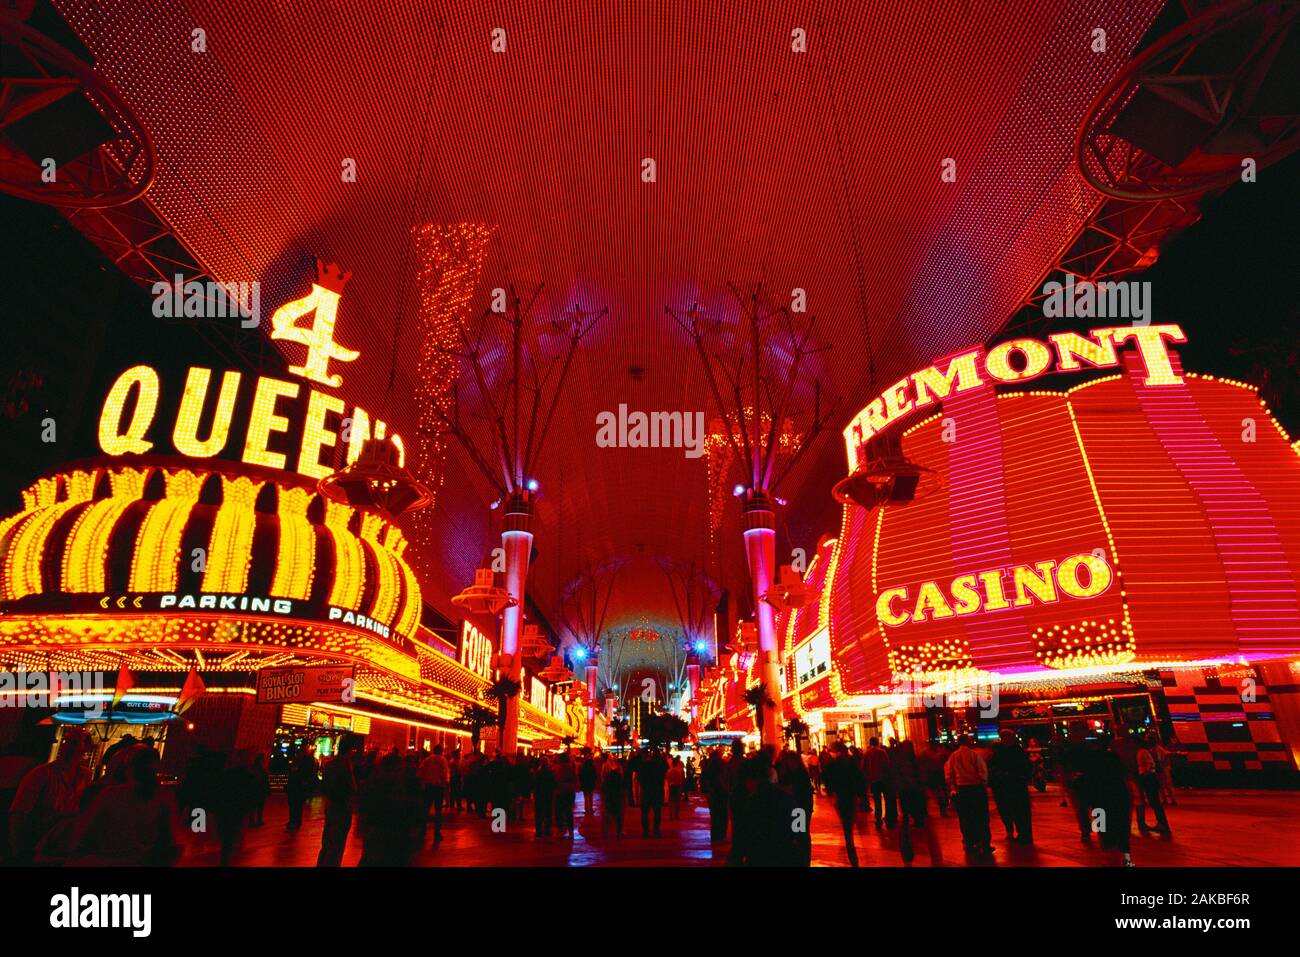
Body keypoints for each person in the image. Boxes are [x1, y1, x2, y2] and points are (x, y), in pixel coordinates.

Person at [66, 747, 179, 866]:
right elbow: (169, 842)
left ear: (129, 769)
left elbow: (86, 833)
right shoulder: (164, 798)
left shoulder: (111, 795)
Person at [8, 729, 93, 865]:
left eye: (75, 742)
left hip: (63, 846)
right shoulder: (41, 774)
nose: (68, 746)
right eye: (66, 741)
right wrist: (18, 850)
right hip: (37, 844)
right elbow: (18, 813)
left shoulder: (86, 777)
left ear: (86, 748)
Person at [358, 752, 421, 866]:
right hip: (393, 840)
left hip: (376, 838)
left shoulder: (371, 785)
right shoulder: (400, 786)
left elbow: (363, 810)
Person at [1089, 739, 1135, 866]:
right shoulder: (1115, 759)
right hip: (1119, 798)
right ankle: (1124, 859)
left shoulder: (1093, 762)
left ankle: (1110, 857)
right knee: (1122, 832)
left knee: (1105, 831)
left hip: (1100, 800)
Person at [945, 734, 992, 855]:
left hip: (962, 789)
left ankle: (969, 840)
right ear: (968, 742)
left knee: (965, 817)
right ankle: (984, 842)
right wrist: (983, 784)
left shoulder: (954, 756)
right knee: (981, 816)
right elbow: (982, 771)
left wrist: (953, 786)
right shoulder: (974, 755)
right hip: (976, 788)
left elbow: (949, 773)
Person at [822, 741, 865, 867]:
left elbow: (827, 778)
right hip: (851, 796)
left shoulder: (833, 765)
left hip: (841, 797)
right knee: (849, 823)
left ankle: (851, 851)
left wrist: (831, 792)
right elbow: (860, 778)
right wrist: (860, 794)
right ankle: (852, 850)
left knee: (847, 824)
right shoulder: (852, 763)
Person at [316, 739, 358, 866]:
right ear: (349, 750)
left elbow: (323, 786)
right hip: (342, 807)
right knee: (337, 844)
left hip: (331, 806)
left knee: (328, 841)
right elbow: (352, 788)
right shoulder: (345, 766)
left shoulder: (330, 764)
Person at [988, 730, 1033, 843]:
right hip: (1016, 786)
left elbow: (992, 767)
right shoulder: (1018, 751)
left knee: (1012, 811)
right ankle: (1024, 833)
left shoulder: (1001, 753)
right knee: (1020, 812)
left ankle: (1020, 832)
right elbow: (1027, 768)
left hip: (1007, 786)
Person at [776, 749, 814, 866]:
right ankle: (803, 858)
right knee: (801, 833)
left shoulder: (798, 774)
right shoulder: (799, 772)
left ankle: (803, 858)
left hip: (800, 808)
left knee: (800, 833)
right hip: (801, 807)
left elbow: (794, 790)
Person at [1135, 735, 1172, 836]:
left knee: (1155, 801)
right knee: (1155, 802)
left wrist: (1144, 773)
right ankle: (1162, 823)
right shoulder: (1144, 751)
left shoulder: (1142, 752)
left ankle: (1162, 824)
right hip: (1149, 777)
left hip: (1149, 778)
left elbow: (1150, 764)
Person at [419, 744, 451, 846]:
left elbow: (421, 771)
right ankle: (437, 833)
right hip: (438, 788)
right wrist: (446, 786)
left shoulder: (427, 760)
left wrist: (424, 783)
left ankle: (422, 830)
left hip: (429, 787)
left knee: (425, 809)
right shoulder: (443, 760)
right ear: (441, 751)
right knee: (438, 811)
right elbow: (444, 774)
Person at [864, 737, 896, 828]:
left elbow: (864, 767)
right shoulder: (882, 752)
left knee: (877, 801)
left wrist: (868, 777)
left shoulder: (867, 754)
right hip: (884, 779)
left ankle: (878, 818)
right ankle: (888, 817)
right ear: (877, 742)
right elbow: (887, 765)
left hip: (874, 780)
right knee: (887, 799)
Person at [639, 748, 668, 837]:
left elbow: (639, 778)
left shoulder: (644, 765)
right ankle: (656, 830)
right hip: (657, 791)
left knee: (645, 812)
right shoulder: (660, 766)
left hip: (647, 791)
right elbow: (665, 770)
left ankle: (645, 831)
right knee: (657, 812)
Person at [701, 750, 729, 843]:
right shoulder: (722, 764)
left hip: (713, 794)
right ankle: (721, 835)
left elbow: (705, 780)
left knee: (715, 816)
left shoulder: (708, 766)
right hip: (721, 793)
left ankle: (715, 836)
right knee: (722, 815)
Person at [285, 747, 315, 831]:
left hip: (297, 787)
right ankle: (294, 821)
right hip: (296, 787)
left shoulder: (300, 763)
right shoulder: (303, 763)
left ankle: (295, 821)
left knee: (296, 806)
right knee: (295, 806)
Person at [553, 751, 578, 837]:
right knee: (568, 812)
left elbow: (555, 780)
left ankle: (561, 829)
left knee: (559, 811)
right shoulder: (570, 768)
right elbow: (575, 780)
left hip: (561, 792)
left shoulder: (558, 769)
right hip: (569, 792)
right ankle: (570, 830)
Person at [600, 756, 626, 837]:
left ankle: (607, 831)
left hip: (609, 795)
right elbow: (622, 784)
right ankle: (619, 831)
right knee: (618, 814)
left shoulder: (607, 774)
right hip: (617, 795)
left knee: (609, 813)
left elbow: (603, 783)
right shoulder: (619, 774)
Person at [247, 753, 270, 827]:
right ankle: (258, 820)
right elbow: (265, 781)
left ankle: (252, 821)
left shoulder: (252, 770)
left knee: (253, 807)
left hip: (254, 790)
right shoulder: (262, 771)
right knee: (260, 807)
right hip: (260, 790)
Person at [666, 756, 686, 820]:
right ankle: (676, 815)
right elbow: (682, 778)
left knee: (671, 801)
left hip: (672, 786)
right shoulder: (680, 770)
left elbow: (667, 779)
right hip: (678, 786)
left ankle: (671, 815)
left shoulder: (669, 770)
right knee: (677, 801)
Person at [578, 751, 598, 816]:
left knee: (586, 797)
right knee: (590, 796)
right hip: (591, 784)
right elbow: (595, 776)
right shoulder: (592, 768)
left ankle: (586, 809)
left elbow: (580, 775)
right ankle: (591, 808)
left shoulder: (582, 768)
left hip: (585, 784)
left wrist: (581, 782)